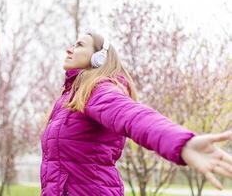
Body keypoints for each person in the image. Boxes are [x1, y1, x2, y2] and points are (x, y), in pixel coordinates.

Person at [40, 31, 232, 196]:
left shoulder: (97, 90)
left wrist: (181, 142)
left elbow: (134, 116)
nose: (69, 49)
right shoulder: (68, 99)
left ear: (99, 58)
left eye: (79, 45)